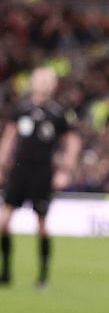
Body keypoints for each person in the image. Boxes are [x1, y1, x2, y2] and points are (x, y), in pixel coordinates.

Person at [0, 66, 81, 288]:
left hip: (43, 171)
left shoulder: (58, 112)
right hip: (20, 169)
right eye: (38, 79)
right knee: (4, 223)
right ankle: (5, 272)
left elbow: (73, 142)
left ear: (53, 85)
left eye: (46, 80)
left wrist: (65, 170)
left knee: (42, 224)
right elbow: (10, 136)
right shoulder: (22, 108)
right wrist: (2, 164)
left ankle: (43, 275)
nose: (42, 83)